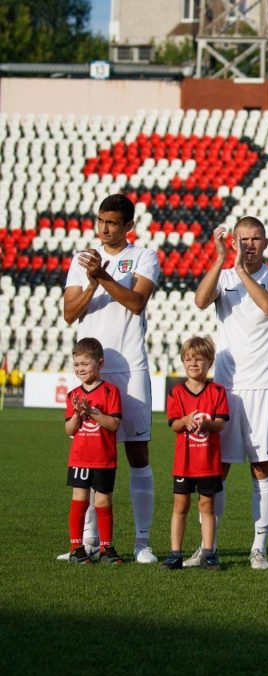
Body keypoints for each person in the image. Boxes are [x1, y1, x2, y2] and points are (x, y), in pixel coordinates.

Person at [63, 193, 159, 564]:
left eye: (112, 222)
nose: (104, 228)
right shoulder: (81, 260)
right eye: (101, 220)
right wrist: (91, 282)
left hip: (130, 367)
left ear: (129, 226)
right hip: (94, 368)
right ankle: (86, 543)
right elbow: (70, 314)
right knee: (89, 454)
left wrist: (102, 276)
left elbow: (136, 302)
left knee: (137, 452)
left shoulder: (143, 256)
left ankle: (142, 542)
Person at [195, 216, 268, 570]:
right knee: (216, 470)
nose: (249, 245)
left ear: (265, 242)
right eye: (243, 239)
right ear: (233, 241)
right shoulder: (224, 274)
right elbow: (200, 301)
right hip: (226, 387)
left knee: (261, 467)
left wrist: (241, 271)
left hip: (263, 384)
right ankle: (209, 547)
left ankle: (258, 547)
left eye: (255, 239)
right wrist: (221, 261)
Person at [162, 336, 229, 571]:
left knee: (207, 507)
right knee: (180, 506)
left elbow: (220, 424)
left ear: (210, 362)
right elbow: (173, 425)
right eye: (189, 359)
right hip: (184, 462)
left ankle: (209, 553)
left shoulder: (218, 392)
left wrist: (207, 425)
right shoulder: (176, 393)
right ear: (182, 361)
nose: (193, 363)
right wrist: (185, 420)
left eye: (199, 359)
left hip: (208, 463)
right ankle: (175, 554)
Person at [64, 337, 123, 565]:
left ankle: (106, 547)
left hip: (104, 458)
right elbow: (69, 428)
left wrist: (92, 411)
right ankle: (75, 547)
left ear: (100, 363)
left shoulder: (110, 392)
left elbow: (114, 424)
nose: (80, 369)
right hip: (80, 457)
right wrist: (79, 413)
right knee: (80, 499)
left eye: (85, 364)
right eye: (77, 364)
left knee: (103, 501)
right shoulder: (73, 395)